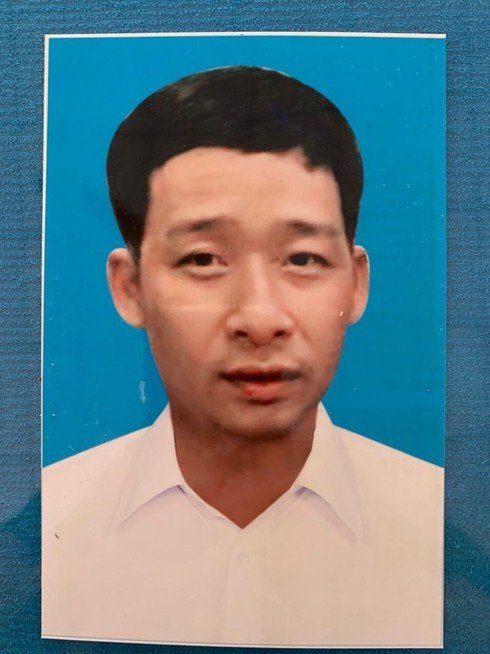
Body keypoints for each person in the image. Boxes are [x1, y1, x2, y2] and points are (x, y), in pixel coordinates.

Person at [42, 66, 443, 647]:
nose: (259, 319)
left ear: (356, 284)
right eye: (204, 260)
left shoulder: (447, 536)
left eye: (302, 259)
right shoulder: (40, 539)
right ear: (130, 288)